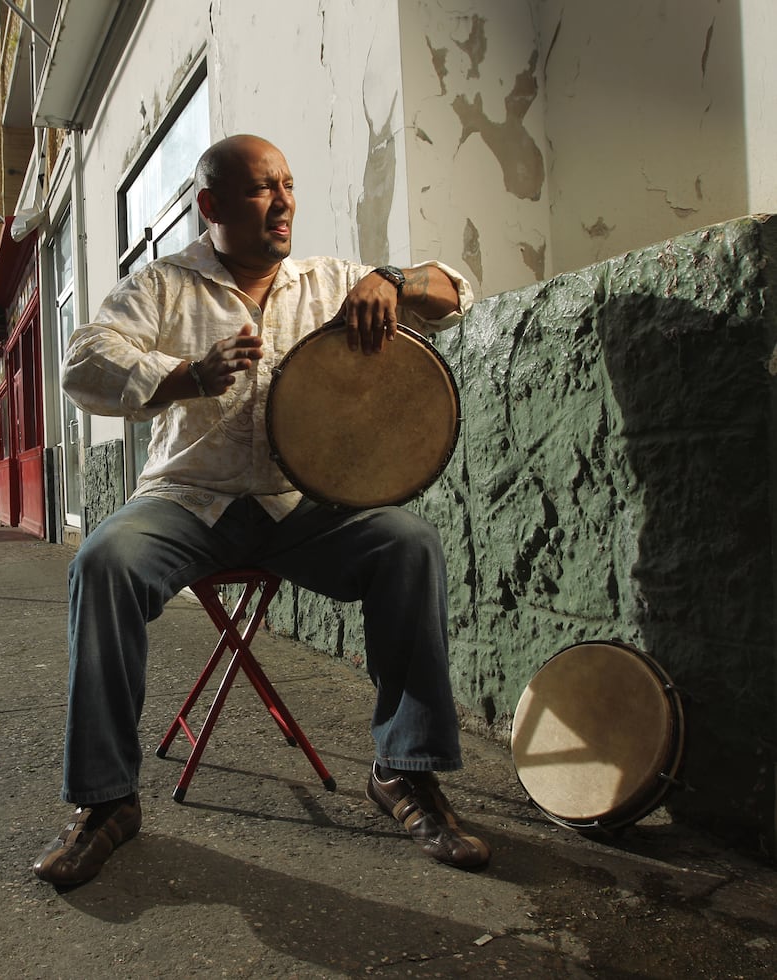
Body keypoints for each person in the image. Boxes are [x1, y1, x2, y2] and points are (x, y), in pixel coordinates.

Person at [33, 134, 490, 887]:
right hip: (188, 501)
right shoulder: (163, 285)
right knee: (104, 562)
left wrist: (393, 280)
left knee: (407, 544)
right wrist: (184, 373)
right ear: (210, 205)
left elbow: (456, 292)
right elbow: (84, 361)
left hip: (298, 507)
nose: (281, 203)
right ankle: (106, 800)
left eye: (287, 184)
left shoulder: (332, 281)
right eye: (258, 189)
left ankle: (404, 773)